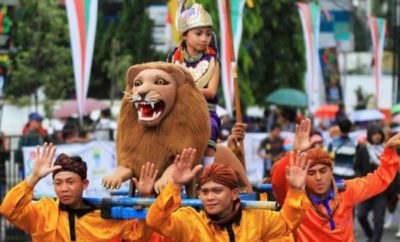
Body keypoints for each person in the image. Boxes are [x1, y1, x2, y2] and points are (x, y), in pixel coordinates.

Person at [271, 118, 400, 242]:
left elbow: (379, 179)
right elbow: (278, 183)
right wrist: (296, 152)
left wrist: (389, 149)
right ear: (303, 175)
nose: (318, 177)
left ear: (331, 171)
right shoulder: (296, 201)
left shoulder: (346, 190)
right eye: (311, 173)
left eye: (323, 171)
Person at [146, 148, 311, 242]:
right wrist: (175, 185)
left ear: (234, 194)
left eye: (217, 191)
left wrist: (296, 190)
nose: (209, 197)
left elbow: (287, 223)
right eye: (205, 192)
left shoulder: (258, 218)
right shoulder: (191, 220)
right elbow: (155, 220)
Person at [0, 143, 155, 242]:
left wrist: (145, 198)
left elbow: (139, 236)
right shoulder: (43, 212)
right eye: (58, 183)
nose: (64, 188)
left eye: (70, 182)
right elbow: (8, 210)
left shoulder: (102, 216)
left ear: (84, 184)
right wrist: (33, 178)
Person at [167, 1, 220, 163]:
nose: (204, 39)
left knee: (210, 129)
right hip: (177, 113)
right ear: (185, 34)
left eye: (208, 33)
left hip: (205, 114)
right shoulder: (172, 58)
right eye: (199, 33)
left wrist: (183, 87)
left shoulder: (213, 61)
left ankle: (207, 173)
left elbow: (211, 92)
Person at [354, 125, 386, 242]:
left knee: (378, 219)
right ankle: (371, 235)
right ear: (370, 136)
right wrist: (361, 179)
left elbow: (394, 171)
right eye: (374, 134)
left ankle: (375, 240)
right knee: (361, 215)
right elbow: (356, 167)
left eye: (379, 133)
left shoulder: (386, 150)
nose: (377, 136)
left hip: (381, 190)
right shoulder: (363, 149)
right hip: (366, 188)